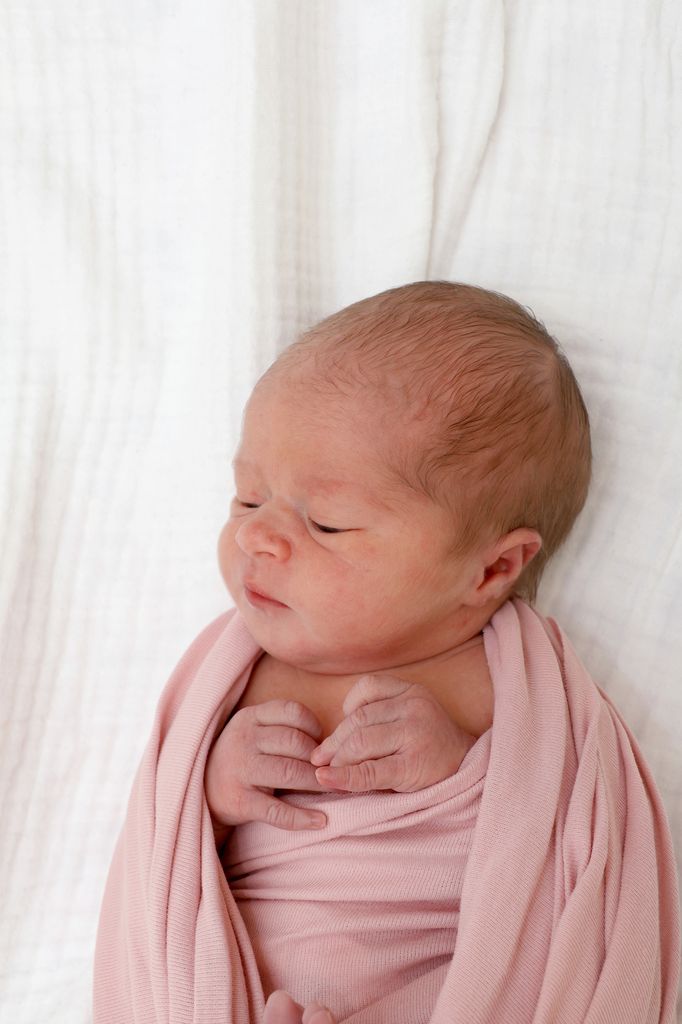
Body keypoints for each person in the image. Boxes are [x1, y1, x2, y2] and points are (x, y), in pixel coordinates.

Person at [93, 280, 680, 1024]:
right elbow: (163, 847)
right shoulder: (229, 672)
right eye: (247, 498)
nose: (256, 536)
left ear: (492, 570)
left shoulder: (528, 691)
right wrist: (212, 792)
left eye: (328, 523)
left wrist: (463, 770)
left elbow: (566, 851)